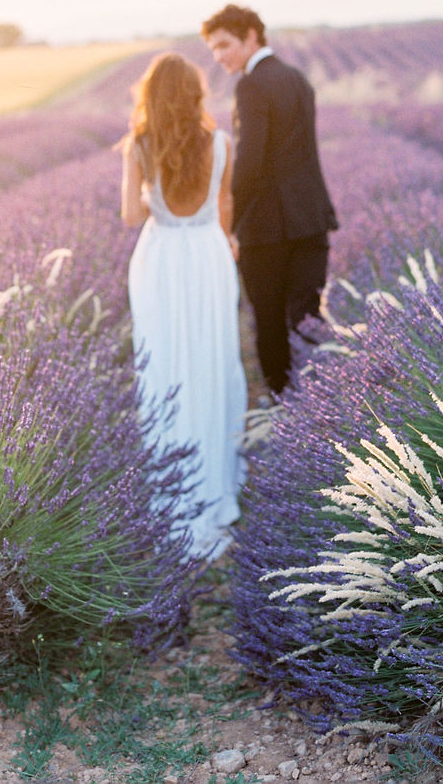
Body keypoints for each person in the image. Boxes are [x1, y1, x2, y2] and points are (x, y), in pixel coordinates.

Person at [120, 52, 248, 559]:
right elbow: (224, 209)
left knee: (166, 367)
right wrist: (228, 243)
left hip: (162, 260)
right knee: (213, 360)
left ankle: (174, 487)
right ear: (195, 93)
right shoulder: (220, 143)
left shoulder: (140, 146)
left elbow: (131, 216)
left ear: (151, 96)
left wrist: (145, 182)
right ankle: (217, 485)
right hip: (208, 256)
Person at [201, 4, 337, 396]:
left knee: (270, 323)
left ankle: (283, 406)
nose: (219, 56)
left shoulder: (251, 85)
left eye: (225, 45)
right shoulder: (297, 78)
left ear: (251, 36)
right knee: (308, 321)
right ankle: (322, 402)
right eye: (213, 50)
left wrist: (228, 222)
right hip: (311, 220)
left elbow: (250, 163)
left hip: (266, 229)